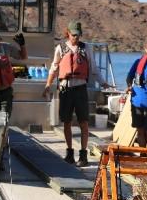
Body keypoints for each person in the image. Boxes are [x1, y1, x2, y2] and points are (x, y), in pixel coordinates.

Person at [43, 21, 110, 167]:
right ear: (68, 33)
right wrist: (48, 84)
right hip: (66, 89)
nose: (76, 38)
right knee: (66, 121)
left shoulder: (86, 49)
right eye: (74, 35)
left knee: (84, 122)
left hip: (80, 89)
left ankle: (83, 155)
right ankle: (69, 153)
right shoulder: (60, 48)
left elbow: (94, 69)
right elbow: (54, 68)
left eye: (78, 35)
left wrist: (103, 82)